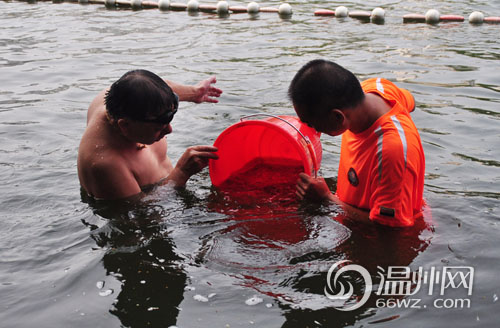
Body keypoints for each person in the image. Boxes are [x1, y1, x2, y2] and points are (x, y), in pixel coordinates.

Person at [289, 59, 425, 227]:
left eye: (311, 123)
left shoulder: (391, 150)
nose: (312, 129)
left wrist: (327, 199)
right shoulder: (375, 89)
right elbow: (409, 100)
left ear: (338, 117)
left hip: (374, 236)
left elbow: (390, 230)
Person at [77, 69, 222, 200]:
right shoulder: (106, 165)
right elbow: (141, 215)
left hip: (169, 186)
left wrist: (194, 92)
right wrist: (182, 172)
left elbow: (158, 87)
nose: (169, 130)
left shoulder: (119, 98)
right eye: (158, 128)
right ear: (125, 125)